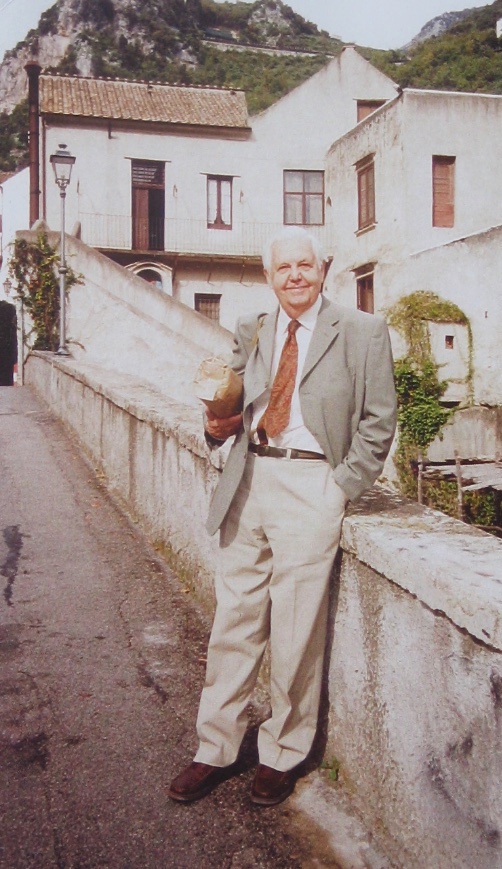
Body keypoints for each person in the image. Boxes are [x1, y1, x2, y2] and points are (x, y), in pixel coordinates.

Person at [169, 226, 397, 807]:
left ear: (324, 268)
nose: (294, 275)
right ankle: (213, 748)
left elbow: (378, 421)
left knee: (297, 628)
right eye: (282, 268)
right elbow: (228, 402)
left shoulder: (363, 331)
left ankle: (281, 752)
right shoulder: (253, 328)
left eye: (304, 264)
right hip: (248, 478)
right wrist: (215, 426)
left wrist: (339, 487)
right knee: (234, 621)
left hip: (312, 481)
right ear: (268, 275)